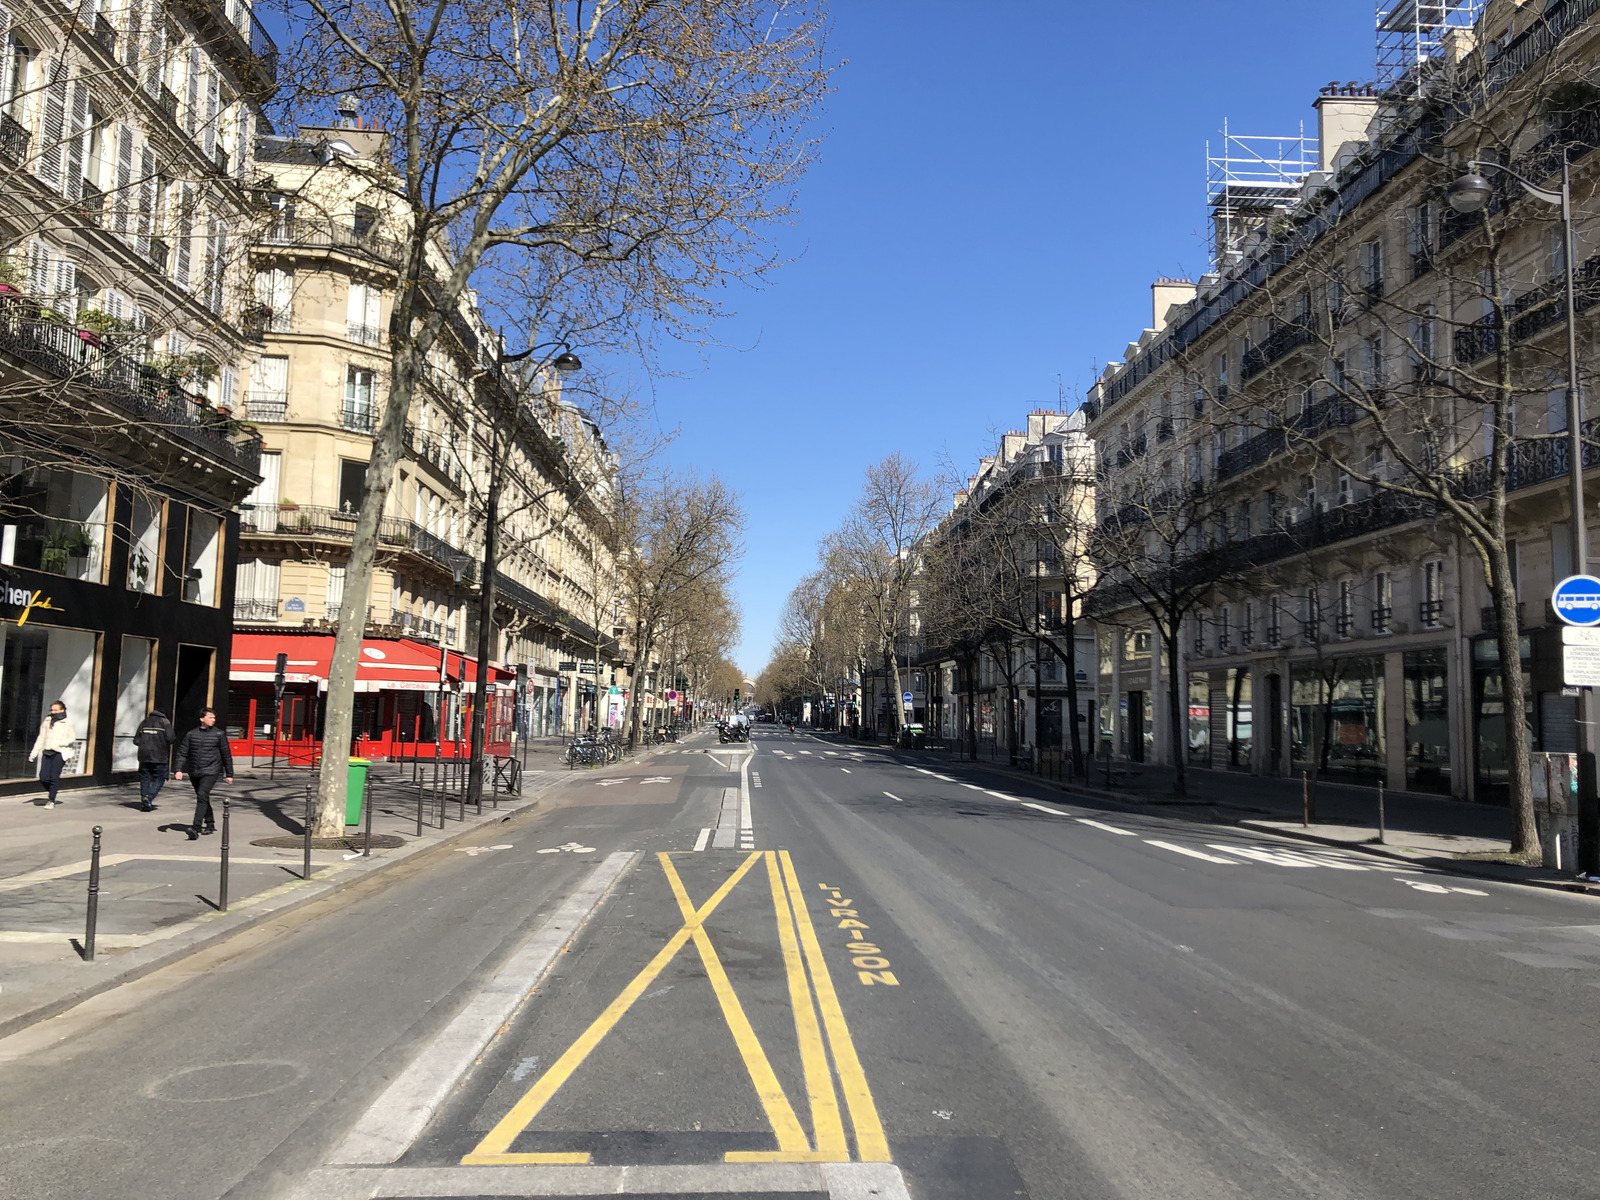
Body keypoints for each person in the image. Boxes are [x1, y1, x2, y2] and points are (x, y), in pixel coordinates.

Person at [173, 708, 233, 840]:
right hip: (195, 770)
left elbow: (226, 755)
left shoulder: (219, 734)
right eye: (210, 717)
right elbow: (182, 753)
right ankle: (210, 824)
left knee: (202, 795)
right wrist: (178, 769)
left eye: (214, 718)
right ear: (202, 719)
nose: (213, 720)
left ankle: (196, 827)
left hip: (211, 770)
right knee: (203, 798)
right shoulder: (191, 734)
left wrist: (229, 774)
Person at [28, 700, 76, 808]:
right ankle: (53, 790)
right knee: (43, 777)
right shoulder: (47, 720)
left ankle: (51, 800)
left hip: (59, 752)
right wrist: (33, 754)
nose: (53, 712)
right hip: (47, 751)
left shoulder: (67, 723)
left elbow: (72, 738)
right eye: (52, 710)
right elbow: (41, 737)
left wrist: (61, 743)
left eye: (55, 710)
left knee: (54, 777)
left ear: (62, 710)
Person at [134, 709, 174, 812]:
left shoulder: (144, 722)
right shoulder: (165, 722)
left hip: (144, 756)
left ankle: (144, 799)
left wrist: (145, 745)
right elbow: (171, 738)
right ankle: (149, 798)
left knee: (145, 778)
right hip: (159, 756)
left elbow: (136, 740)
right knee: (160, 778)